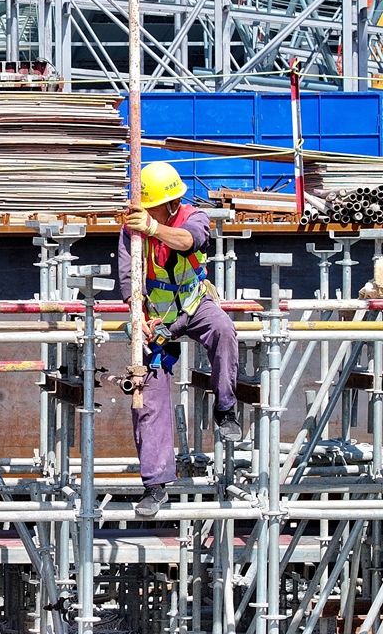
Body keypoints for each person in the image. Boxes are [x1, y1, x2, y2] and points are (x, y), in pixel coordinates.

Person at [119, 161, 242, 517]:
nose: (144, 212)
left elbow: (191, 242)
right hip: (157, 317)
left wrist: (154, 228)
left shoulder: (193, 216)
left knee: (223, 330)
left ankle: (225, 408)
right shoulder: (131, 229)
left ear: (170, 204)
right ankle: (155, 484)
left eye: (152, 206)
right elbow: (129, 277)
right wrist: (137, 313)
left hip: (193, 303)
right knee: (148, 392)